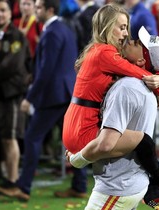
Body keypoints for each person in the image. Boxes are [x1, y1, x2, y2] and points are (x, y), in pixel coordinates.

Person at [61, 3, 159, 207]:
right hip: (81, 126)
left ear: (141, 59)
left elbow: (138, 71)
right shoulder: (107, 55)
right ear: (106, 27)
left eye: (126, 28)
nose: (126, 35)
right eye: (121, 27)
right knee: (144, 141)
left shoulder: (106, 57)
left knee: (142, 141)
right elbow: (140, 72)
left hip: (78, 125)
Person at [0, 0, 77, 201]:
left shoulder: (51, 32)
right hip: (67, 93)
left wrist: (30, 98)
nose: (35, 10)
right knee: (73, 143)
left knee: (32, 137)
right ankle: (80, 185)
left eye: (39, 7)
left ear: (49, 10)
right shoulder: (66, 28)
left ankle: (23, 187)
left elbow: (46, 70)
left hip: (52, 96)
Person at [0, 0, 31, 193]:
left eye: (2, 10)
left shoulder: (16, 36)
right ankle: (7, 178)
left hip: (11, 94)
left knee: (10, 137)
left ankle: (13, 181)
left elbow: (12, 66)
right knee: (2, 136)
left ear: (10, 13)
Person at [53, 0, 100, 199]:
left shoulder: (82, 16)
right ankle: (80, 181)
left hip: (81, 87)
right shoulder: (82, 16)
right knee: (77, 135)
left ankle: (81, 180)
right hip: (79, 85)